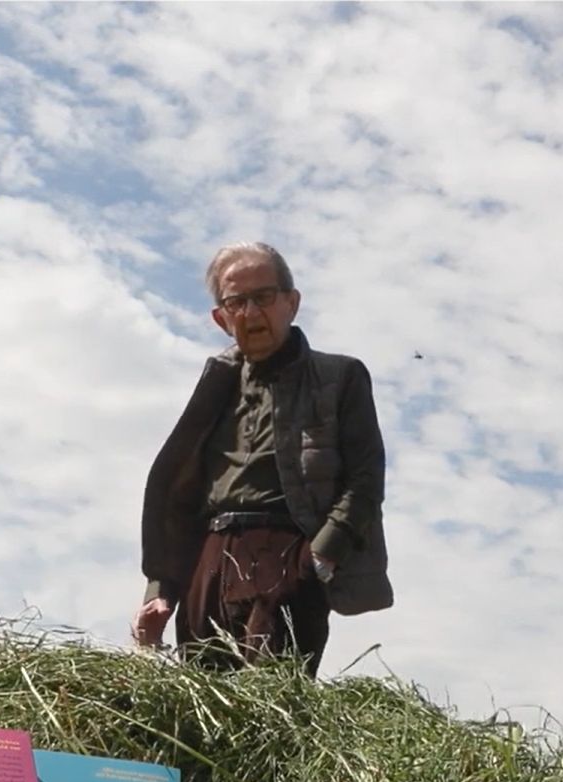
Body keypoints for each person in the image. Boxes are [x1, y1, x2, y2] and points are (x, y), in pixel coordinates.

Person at [132, 242, 392, 677]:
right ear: (221, 318)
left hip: (288, 554)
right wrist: (160, 588)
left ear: (292, 302)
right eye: (236, 302)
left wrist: (319, 559)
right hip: (209, 558)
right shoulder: (216, 383)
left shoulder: (340, 377)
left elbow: (366, 479)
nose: (252, 313)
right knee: (202, 707)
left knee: (270, 711)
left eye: (264, 297)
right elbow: (179, 494)